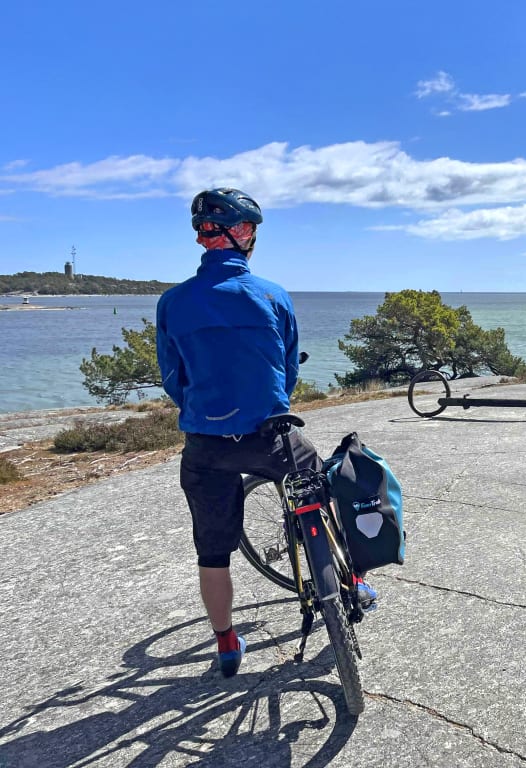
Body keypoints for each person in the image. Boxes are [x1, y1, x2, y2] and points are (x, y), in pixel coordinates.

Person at [156, 188, 376, 678]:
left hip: (206, 446)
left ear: (203, 236)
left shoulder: (172, 303)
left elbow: (173, 380)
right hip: (271, 437)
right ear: (246, 233)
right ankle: (353, 581)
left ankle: (227, 644)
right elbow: (287, 372)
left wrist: (208, 414)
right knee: (326, 485)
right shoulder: (273, 295)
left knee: (212, 550)